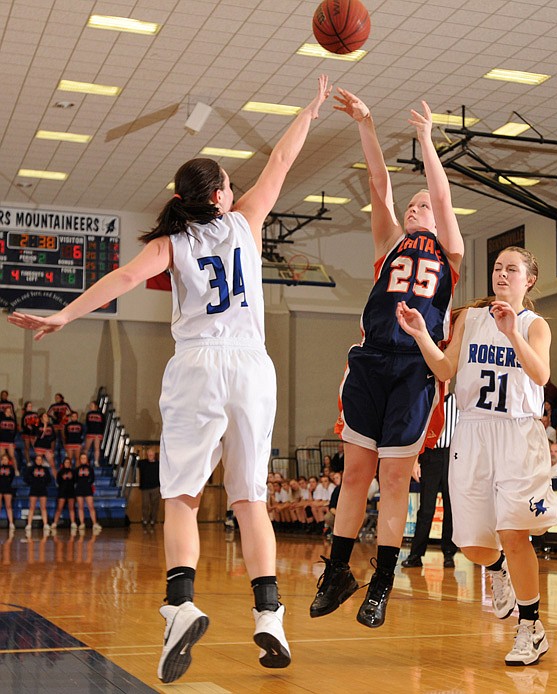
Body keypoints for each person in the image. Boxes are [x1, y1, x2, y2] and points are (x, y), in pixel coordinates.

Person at [8, 74, 331, 683]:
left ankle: (181, 605)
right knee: (250, 499)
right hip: (251, 367)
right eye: (230, 185)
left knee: (181, 496)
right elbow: (284, 158)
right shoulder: (247, 222)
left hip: (198, 368)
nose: (238, 190)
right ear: (218, 198)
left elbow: (122, 281)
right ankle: (269, 618)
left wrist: (65, 315)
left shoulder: (172, 242)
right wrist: (308, 110)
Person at [309, 89, 463, 630]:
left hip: (416, 369)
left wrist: (426, 141)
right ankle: (337, 571)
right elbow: (379, 183)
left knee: (396, 481)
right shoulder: (389, 244)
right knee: (356, 474)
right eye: (412, 206)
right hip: (372, 361)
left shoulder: (450, 254)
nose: (418, 209)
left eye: (425, 206)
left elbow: (443, 200)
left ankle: (382, 581)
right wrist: (368, 126)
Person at [397, 245, 557, 666]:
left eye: (512, 269)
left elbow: (542, 376)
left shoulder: (535, 324)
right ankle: (498, 572)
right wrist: (420, 334)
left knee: (513, 532)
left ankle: (530, 627)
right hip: (472, 431)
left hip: (517, 433)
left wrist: (511, 333)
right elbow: (444, 370)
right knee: (474, 546)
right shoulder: (469, 319)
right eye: (497, 268)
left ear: (528, 280)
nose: (502, 274)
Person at [401, 386, 459, 569]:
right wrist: (414, 461)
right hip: (430, 455)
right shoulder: (427, 400)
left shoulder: (459, 401)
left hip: (453, 456)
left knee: (451, 508)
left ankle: (449, 554)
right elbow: (418, 432)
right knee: (426, 508)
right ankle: (416, 554)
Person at [24, 454, 53, 534]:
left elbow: (49, 479)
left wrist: (43, 483)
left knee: (43, 508)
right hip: (33, 489)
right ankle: (29, 524)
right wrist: (32, 482)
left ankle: (45, 524)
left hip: (43, 489)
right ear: (35, 460)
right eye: (37, 459)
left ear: (42, 461)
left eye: (40, 460)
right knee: (32, 507)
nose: (39, 461)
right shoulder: (31, 469)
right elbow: (25, 478)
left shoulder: (45, 469)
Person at [74, 452, 102, 532]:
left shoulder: (90, 469)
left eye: (84, 458)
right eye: (81, 458)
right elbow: (75, 479)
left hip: (88, 489)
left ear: (87, 460)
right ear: (79, 460)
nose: (83, 459)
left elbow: (92, 479)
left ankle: (94, 523)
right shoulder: (76, 469)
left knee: (91, 507)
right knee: (80, 507)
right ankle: (82, 523)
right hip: (79, 489)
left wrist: (87, 484)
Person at [51, 456, 77, 531]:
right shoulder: (60, 472)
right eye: (66, 462)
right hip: (62, 491)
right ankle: (55, 523)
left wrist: (71, 477)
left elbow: (75, 481)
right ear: (63, 463)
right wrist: (63, 478)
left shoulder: (73, 472)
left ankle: (73, 523)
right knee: (59, 508)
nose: (67, 464)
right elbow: (58, 481)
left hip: (71, 492)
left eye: (68, 462)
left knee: (71, 508)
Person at [137, 446, 161, 528]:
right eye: (149, 454)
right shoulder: (142, 463)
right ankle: (145, 519)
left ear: (154, 455)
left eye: (152, 454)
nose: (150, 456)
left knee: (155, 505)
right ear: (147, 455)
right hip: (145, 488)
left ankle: (153, 519)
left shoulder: (159, 464)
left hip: (155, 487)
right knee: (145, 504)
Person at [84, 401, 105, 467]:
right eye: (90, 405)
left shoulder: (101, 414)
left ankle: (96, 461)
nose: (90, 406)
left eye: (92, 405)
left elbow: (103, 424)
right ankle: (84, 461)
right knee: (86, 448)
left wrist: (101, 433)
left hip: (98, 433)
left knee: (97, 448)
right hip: (90, 432)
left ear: (96, 406)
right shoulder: (89, 414)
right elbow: (87, 423)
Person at [0, 453, 16, 531]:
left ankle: (11, 523)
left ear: (8, 460)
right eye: (3, 459)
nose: (4, 461)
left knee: (8, 506)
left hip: (7, 488)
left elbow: (12, 477)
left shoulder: (11, 468)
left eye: (6, 459)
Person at [21, 401, 39, 466]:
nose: (30, 407)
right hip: (26, 433)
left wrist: (35, 432)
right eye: (29, 406)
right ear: (26, 407)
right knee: (27, 447)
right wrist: (28, 427)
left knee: (36, 447)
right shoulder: (24, 415)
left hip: (34, 434)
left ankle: (40, 461)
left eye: (31, 406)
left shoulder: (35, 414)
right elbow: (23, 425)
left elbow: (37, 424)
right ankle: (28, 462)